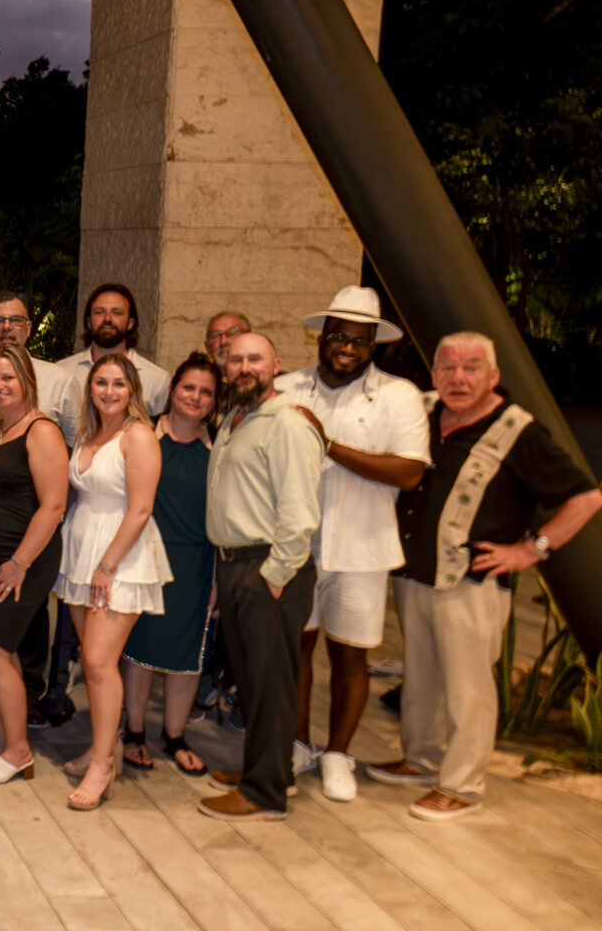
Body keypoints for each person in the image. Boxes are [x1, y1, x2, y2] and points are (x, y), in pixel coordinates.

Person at [371, 332, 600, 820]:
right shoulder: (423, 412)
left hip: (471, 583)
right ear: (434, 373)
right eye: (448, 367)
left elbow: (586, 497)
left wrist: (531, 549)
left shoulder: (520, 432)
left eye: (472, 367)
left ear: (494, 376)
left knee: (468, 689)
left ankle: (462, 786)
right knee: (422, 678)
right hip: (414, 574)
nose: (458, 377)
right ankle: (422, 760)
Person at [276, 286, 429, 801]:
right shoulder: (286, 388)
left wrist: (328, 443)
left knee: (350, 657)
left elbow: (408, 472)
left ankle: (338, 754)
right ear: (321, 336)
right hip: (295, 548)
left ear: (373, 345)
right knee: (295, 650)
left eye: (359, 340)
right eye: (338, 336)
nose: (347, 347)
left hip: (363, 549)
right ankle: (297, 745)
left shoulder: (399, 396)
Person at [199, 332, 323, 821]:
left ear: (277, 365)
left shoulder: (288, 424)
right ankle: (268, 770)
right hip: (235, 565)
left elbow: (299, 511)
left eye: (255, 358)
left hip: (269, 567)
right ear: (225, 367)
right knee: (251, 682)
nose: (244, 366)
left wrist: (277, 573)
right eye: (235, 359)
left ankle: (265, 792)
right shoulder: (236, 418)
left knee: (270, 685)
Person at [54, 354, 171, 810]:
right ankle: (105, 747)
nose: (108, 391)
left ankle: (103, 764)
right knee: (94, 663)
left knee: (100, 663)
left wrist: (107, 565)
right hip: (82, 547)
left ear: (132, 390)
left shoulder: (138, 435)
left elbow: (141, 509)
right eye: (100, 382)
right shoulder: (88, 432)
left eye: (118, 383)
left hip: (120, 554)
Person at [0, 344, 68, 786]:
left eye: (8, 377)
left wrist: (20, 562)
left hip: (23, 561)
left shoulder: (42, 430)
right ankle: (3, 736)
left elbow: (54, 505)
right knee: (1, 654)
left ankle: (19, 751)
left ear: (27, 380)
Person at [122, 353, 222, 777]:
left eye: (206, 392)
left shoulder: (220, 446)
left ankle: (175, 736)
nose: (195, 397)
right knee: (140, 649)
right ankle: (134, 732)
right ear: (172, 389)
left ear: (214, 401)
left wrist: (220, 578)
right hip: (145, 557)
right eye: (188, 387)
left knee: (189, 652)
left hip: (197, 563)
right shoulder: (140, 434)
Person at [0, 292, 78, 439]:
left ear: (28, 328)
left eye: (16, 320)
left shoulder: (60, 381)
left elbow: (77, 445)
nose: (6, 326)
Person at [56, 283, 171, 416]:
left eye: (117, 313)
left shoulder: (157, 380)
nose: (107, 318)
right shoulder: (62, 372)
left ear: (131, 323)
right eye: (99, 312)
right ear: (88, 322)